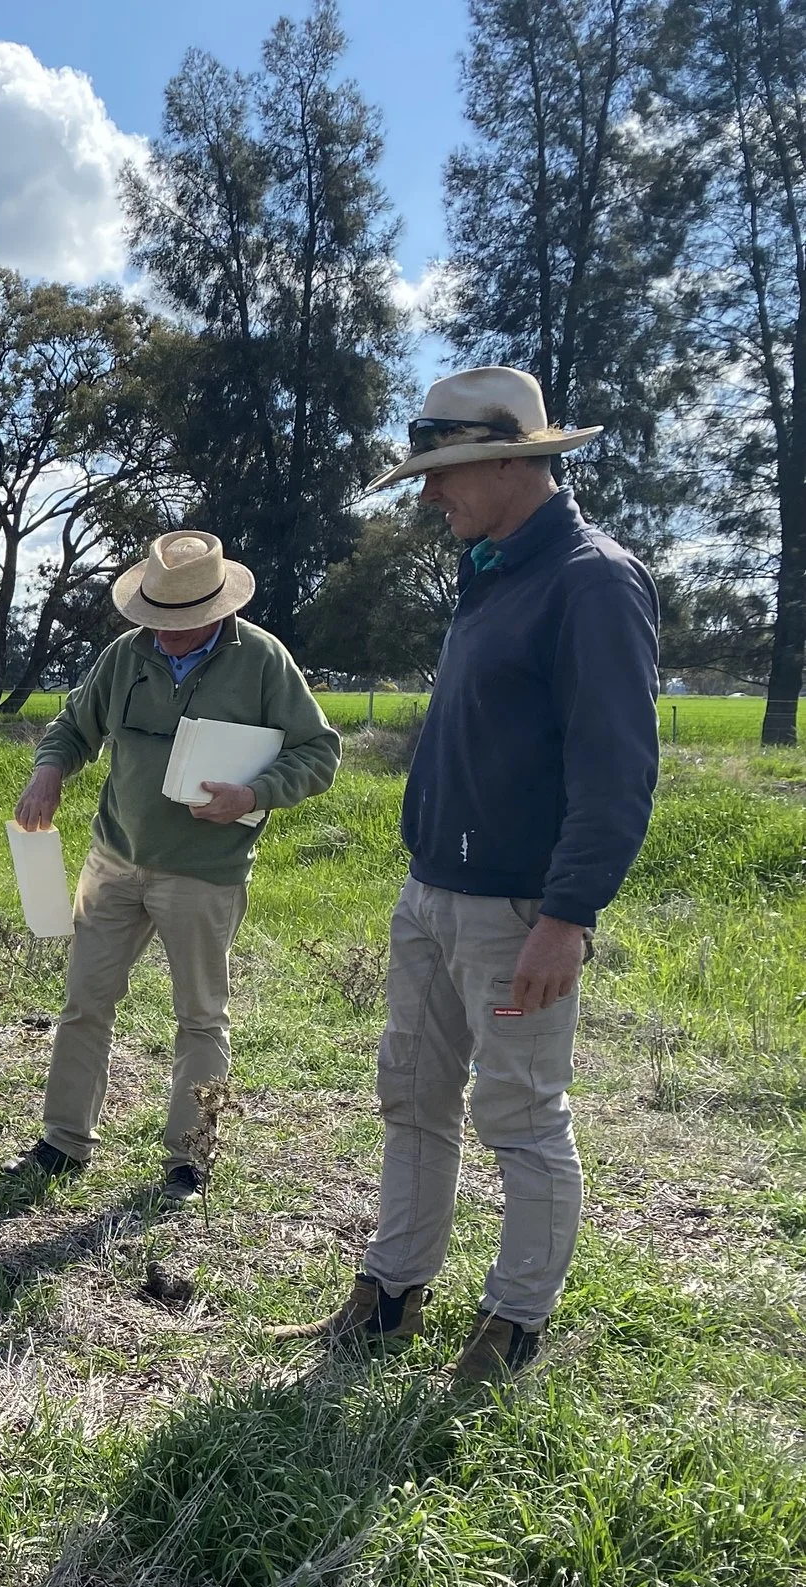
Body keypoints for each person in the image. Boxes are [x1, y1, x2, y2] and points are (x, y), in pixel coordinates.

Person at [279, 367, 660, 1394]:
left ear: (510, 458)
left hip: (513, 917)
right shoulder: (489, 569)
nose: (425, 493)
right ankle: (392, 1292)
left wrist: (567, 916)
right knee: (410, 1096)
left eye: (442, 472)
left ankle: (512, 1322)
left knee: (518, 1113)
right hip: (430, 899)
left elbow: (615, 769)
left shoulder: (590, 579)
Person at [7, 531, 341, 1200]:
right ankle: (63, 1142)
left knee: (200, 1016)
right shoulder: (125, 655)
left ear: (219, 609)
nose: (168, 635)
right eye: (158, 621)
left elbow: (319, 752)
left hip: (205, 873)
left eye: (183, 624)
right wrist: (50, 770)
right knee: (84, 1004)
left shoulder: (265, 662)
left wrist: (253, 794)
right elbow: (76, 724)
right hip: (115, 858)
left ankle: (189, 1158)